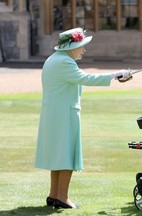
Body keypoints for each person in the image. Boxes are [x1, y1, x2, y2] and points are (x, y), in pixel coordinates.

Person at [35, 27, 132, 209]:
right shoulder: (64, 62)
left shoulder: (54, 59)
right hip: (64, 114)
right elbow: (86, 78)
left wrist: (115, 76)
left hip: (55, 114)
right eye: (81, 46)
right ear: (71, 47)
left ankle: (54, 195)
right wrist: (115, 75)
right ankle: (62, 198)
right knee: (66, 155)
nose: (84, 50)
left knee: (59, 155)